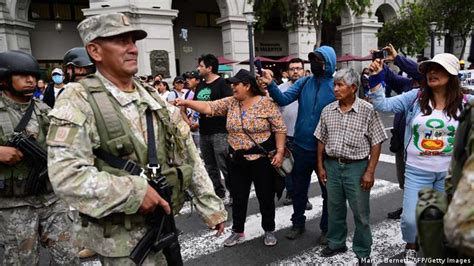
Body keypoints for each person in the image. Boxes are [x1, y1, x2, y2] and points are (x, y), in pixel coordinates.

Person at [46, 13, 227, 264]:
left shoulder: (151, 95)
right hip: (121, 243)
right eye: (121, 41)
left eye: (132, 40)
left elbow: (187, 151)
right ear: (95, 51)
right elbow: (66, 176)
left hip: (163, 227)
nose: (132, 48)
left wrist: (210, 206)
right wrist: (133, 192)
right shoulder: (77, 99)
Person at [368, 53, 474, 262]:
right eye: (429, 69)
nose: (432, 73)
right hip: (417, 171)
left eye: (438, 69)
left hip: (450, 175)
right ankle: (411, 243)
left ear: (452, 74)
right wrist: (376, 79)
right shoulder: (415, 97)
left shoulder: (466, 101)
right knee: (409, 220)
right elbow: (384, 106)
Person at [175, 69, 286, 247]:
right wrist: (185, 102)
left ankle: (269, 229)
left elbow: (280, 129)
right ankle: (237, 231)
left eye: (236, 84)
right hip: (237, 159)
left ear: (248, 86)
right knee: (239, 197)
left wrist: (280, 152)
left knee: (265, 196)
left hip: (261, 160)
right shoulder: (231, 103)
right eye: (232, 84)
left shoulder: (266, 103)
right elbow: (209, 107)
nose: (233, 87)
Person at [0, 50, 78, 265]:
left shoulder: (42, 110)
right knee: (22, 261)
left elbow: (65, 143)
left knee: (69, 257)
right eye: (22, 75)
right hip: (14, 204)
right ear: (4, 79)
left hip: (51, 199)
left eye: (33, 75)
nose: (30, 80)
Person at [259, 45, 337, 243]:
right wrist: (272, 85)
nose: (315, 64)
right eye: (313, 59)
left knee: (329, 193)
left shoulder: (337, 85)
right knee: (299, 191)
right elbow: (284, 99)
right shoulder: (304, 82)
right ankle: (298, 224)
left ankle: (327, 229)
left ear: (329, 63)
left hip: (326, 151)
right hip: (301, 147)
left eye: (319, 60)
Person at [315, 68, 387, 262]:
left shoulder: (367, 110)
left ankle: (363, 251)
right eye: (335, 85)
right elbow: (321, 140)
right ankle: (336, 243)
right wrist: (320, 167)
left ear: (353, 87)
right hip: (332, 165)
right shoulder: (328, 110)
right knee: (334, 207)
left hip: (357, 167)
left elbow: (376, 141)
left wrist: (370, 172)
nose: (335, 89)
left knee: (361, 212)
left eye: (340, 85)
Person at [195, 54, 233, 200]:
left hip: (220, 132)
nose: (198, 68)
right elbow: (198, 104)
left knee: (225, 165)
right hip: (203, 131)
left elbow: (230, 105)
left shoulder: (223, 84)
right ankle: (219, 191)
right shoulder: (201, 85)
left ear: (210, 68)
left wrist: (216, 113)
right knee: (210, 166)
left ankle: (234, 192)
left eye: (201, 66)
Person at [278, 57, 312, 211]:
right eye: (292, 69)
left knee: (303, 170)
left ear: (304, 71)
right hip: (286, 135)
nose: (295, 71)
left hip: (305, 136)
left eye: (298, 68)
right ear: (287, 72)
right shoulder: (280, 89)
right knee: (287, 168)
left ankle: (303, 198)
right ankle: (291, 193)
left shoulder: (310, 87)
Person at [182, 70, 201, 147]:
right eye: (187, 79)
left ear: (198, 80)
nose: (187, 81)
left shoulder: (203, 93)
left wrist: (198, 124)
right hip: (190, 129)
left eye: (190, 79)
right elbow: (182, 111)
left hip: (201, 130)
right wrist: (188, 123)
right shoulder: (186, 94)